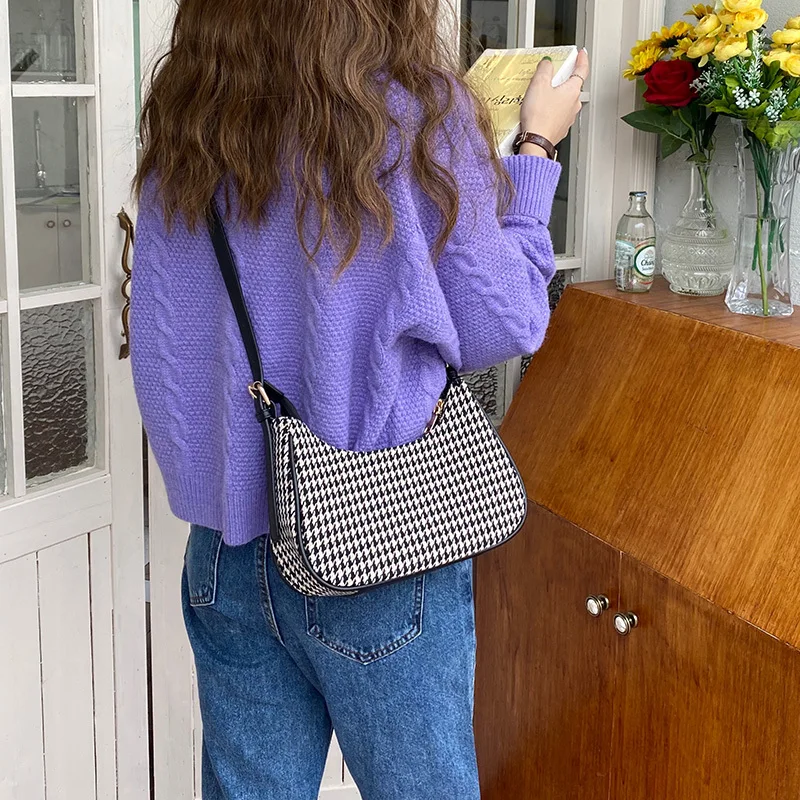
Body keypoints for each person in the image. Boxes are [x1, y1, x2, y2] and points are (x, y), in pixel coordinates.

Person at [131, 1, 588, 797]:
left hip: (227, 557)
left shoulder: (189, 120)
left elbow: (167, 345)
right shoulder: (418, 115)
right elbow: (506, 318)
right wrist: (536, 148)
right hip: (378, 545)